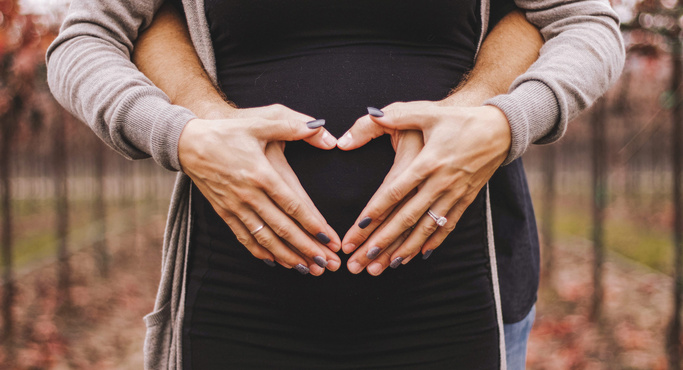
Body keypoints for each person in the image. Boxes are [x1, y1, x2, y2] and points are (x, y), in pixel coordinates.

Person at [46, 1, 624, 369]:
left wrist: (502, 119)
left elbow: (582, 21)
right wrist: (184, 134)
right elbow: (87, 39)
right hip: (235, 301)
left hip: (459, 296)